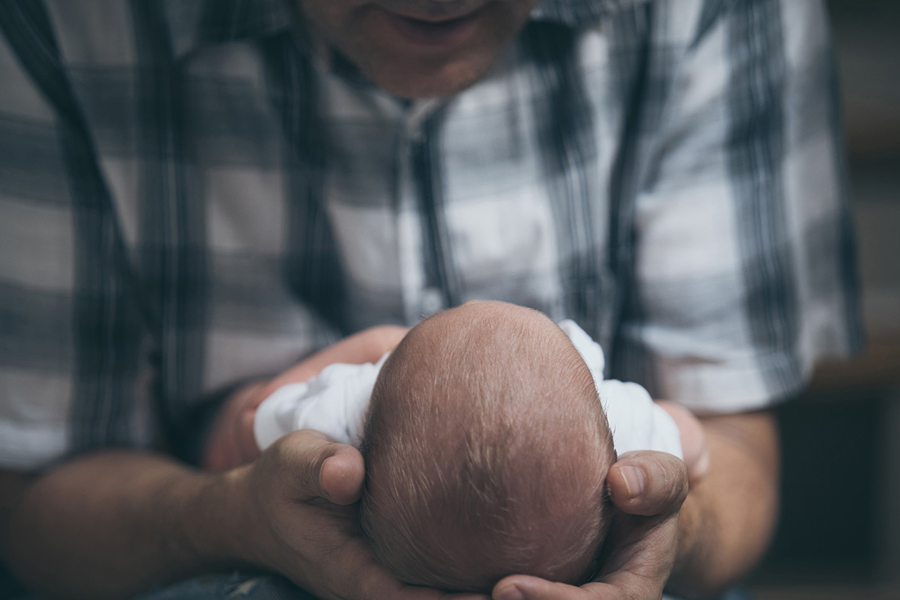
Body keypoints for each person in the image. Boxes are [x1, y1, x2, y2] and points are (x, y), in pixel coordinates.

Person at [0, 1, 860, 600]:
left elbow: (731, 472)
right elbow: (33, 506)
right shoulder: (53, 21)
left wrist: (675, 527)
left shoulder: (343, 412)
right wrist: (225, 514)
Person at [204, 301, 707, 592]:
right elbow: (693, 444)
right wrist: (677, 430)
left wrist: (375, 344)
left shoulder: (344, 411)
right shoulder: (620, 421)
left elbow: (243, 430)